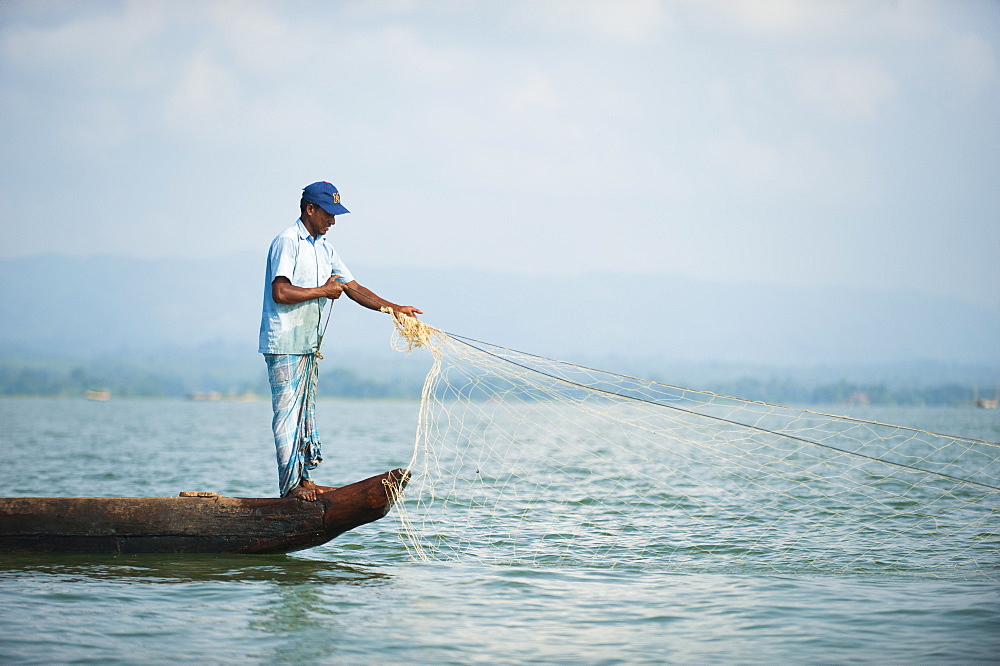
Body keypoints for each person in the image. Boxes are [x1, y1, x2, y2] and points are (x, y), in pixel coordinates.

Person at [258, 181, 422, 500]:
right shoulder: (287, 242)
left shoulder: (325, 248)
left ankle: (303, 481)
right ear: (310, 209)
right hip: (284, 343)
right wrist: (323, 291)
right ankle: (290, 488)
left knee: (304, 415)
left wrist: (394, 309)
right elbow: (280, 292)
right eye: (328, 214)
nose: (332, 220)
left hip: (308, 343)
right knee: (288, 414)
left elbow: (353, 287)